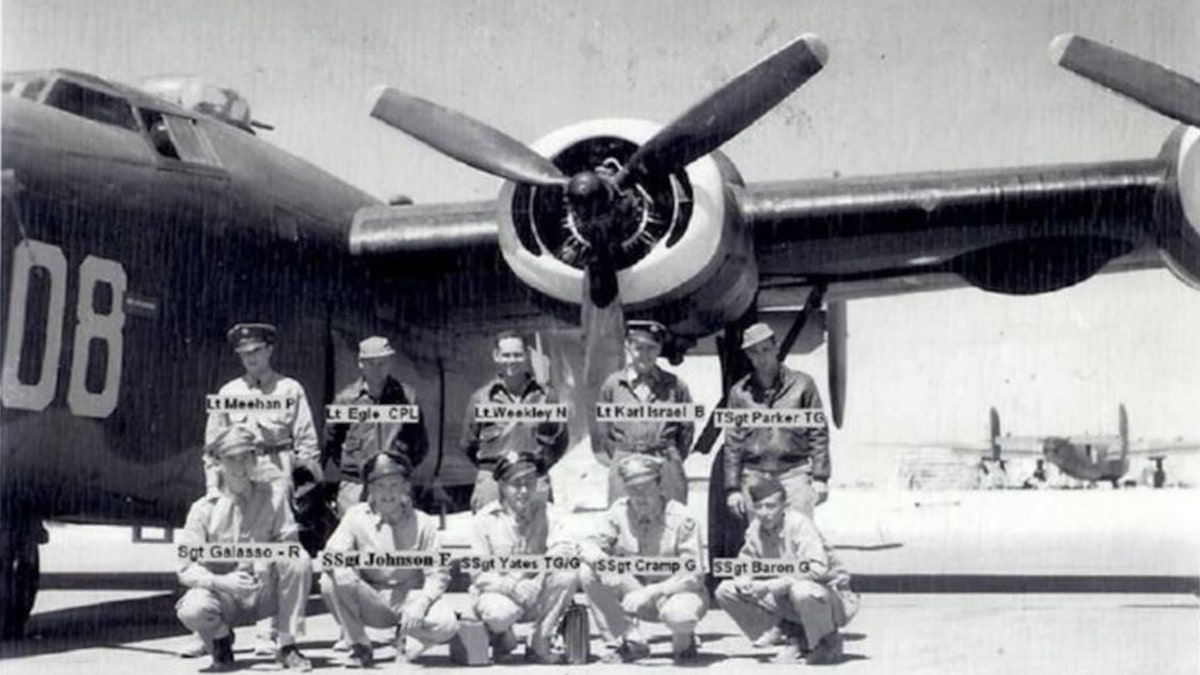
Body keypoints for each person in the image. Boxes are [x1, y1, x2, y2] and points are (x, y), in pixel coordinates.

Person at [200, 323, 321, 658]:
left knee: (276, 553)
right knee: (221, 552)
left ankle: (273, 634)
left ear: (270, 350)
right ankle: (211, 629)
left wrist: (303, 487)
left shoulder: (289, 389)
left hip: (275, 474)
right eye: (243, 353)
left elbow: (308, 443)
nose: (250, 358)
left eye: (255, 351)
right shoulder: (227, 393)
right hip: (234, 477)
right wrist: (213, 488)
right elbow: (212, 445)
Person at [175, 426, 313, 672]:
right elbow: (185, 568)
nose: (239, 467)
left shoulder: (274, 496)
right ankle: (221, 640)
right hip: (226, 595)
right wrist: (221, 581)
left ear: (254, 459)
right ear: (218, 463)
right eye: (231, 459)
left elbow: (290, 544)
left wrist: (263, 560)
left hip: (264, 589)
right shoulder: (203, 509)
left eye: (245, 458)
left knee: (299, 560)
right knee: (192, 609)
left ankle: (288, 645)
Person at [319, 452, 459, 668]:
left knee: (447, 624)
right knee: (331, 581)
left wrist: (421, 604)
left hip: (409, 599)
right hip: (372, 599)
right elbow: (331, 554)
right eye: (380, 487)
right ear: (370, 490)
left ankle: (410, 639)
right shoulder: (356, 516)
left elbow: (438, 573)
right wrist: (341, 567)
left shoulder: (423, 523)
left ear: (406, 488)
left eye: (394, 486)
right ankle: (359, 645)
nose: (388, 494)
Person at [578, 455, 707, 663]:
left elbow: (694, 575)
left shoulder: (683, 518)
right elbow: (588, 545)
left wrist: (650, 592)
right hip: (634, 593)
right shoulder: (619, 512)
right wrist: (605, 564)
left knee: (679, 617)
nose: (639, 496)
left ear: (659, 485)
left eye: (645, 488)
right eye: (633, 489)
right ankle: (631, 641)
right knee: (588, 571)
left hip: (674, 594)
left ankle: (684, 639)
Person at [715, 477, 856, 664]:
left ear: (784, 506)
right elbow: (745, 562)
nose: (764, 513)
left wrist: (768, 585)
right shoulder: (755, 528)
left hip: (830, 596)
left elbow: (817, 570)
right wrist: (744, 580)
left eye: (770, 506)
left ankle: (828, 641)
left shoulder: (800, 525)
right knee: (726, 590)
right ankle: (794, 636)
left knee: (802, 591)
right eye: (758, 507)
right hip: (786, 594)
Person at [468, 451, 578, 663]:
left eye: (530, 483)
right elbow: (479, 573)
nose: (524, 491)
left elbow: (564, 549)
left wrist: (538, 577)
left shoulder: (550, 513)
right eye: (516, 484)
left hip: (535, 592)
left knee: (567, 574)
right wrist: (512, 586)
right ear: (502, 486)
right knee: (498, 614)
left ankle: (539, 641)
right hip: (501, 594)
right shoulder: (484, 520)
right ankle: (502, 635)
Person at [722, 322, 830, 520]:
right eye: (754, 352)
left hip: (794, 474)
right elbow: (733, 443)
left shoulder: (803, 384)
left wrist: (820, 477)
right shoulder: (739, 393)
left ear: (776, 347)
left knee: (799, 536)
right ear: (748, 356)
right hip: (754, 476)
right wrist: (732, 488)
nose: (761, 357)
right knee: (761, 542)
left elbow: (818, 432)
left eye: (765, 349)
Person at [460, 331, 568, 512]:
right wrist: (493, 467)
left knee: (536, 536)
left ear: (526, 355)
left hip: (533, 477)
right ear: (496, 356)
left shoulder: (547, 396)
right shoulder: (480, 398)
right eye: (506, 355)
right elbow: (467, 444)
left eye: (517, 354)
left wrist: (538, 466)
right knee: (492, 535)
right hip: (493, 480)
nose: (512, 360)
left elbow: (560, 440)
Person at [324, 336, 430, 517]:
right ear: (360, 364)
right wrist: (353, 465)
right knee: (355, 538)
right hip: (355, 485)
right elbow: (331, 441)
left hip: (395, 484)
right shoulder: (345, 400)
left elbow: (420, 443)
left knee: (397, 538)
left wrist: (400, 467)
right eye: (371, 363)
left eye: (382, 362)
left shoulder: (407, 398)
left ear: (390, 362)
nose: (377, 369)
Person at [597, 320, 694, 505]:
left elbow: (686, 430)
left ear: (659, 350)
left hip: (665, 461)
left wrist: (669, 453)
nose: (644, 354)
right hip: (625, 461)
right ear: (628, 347)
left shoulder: (675, 386)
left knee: (672, 519)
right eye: (639, 348)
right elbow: (604, 431)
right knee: (624, 523)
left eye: (651, 348)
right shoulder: (613, 385)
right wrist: (623, 454)